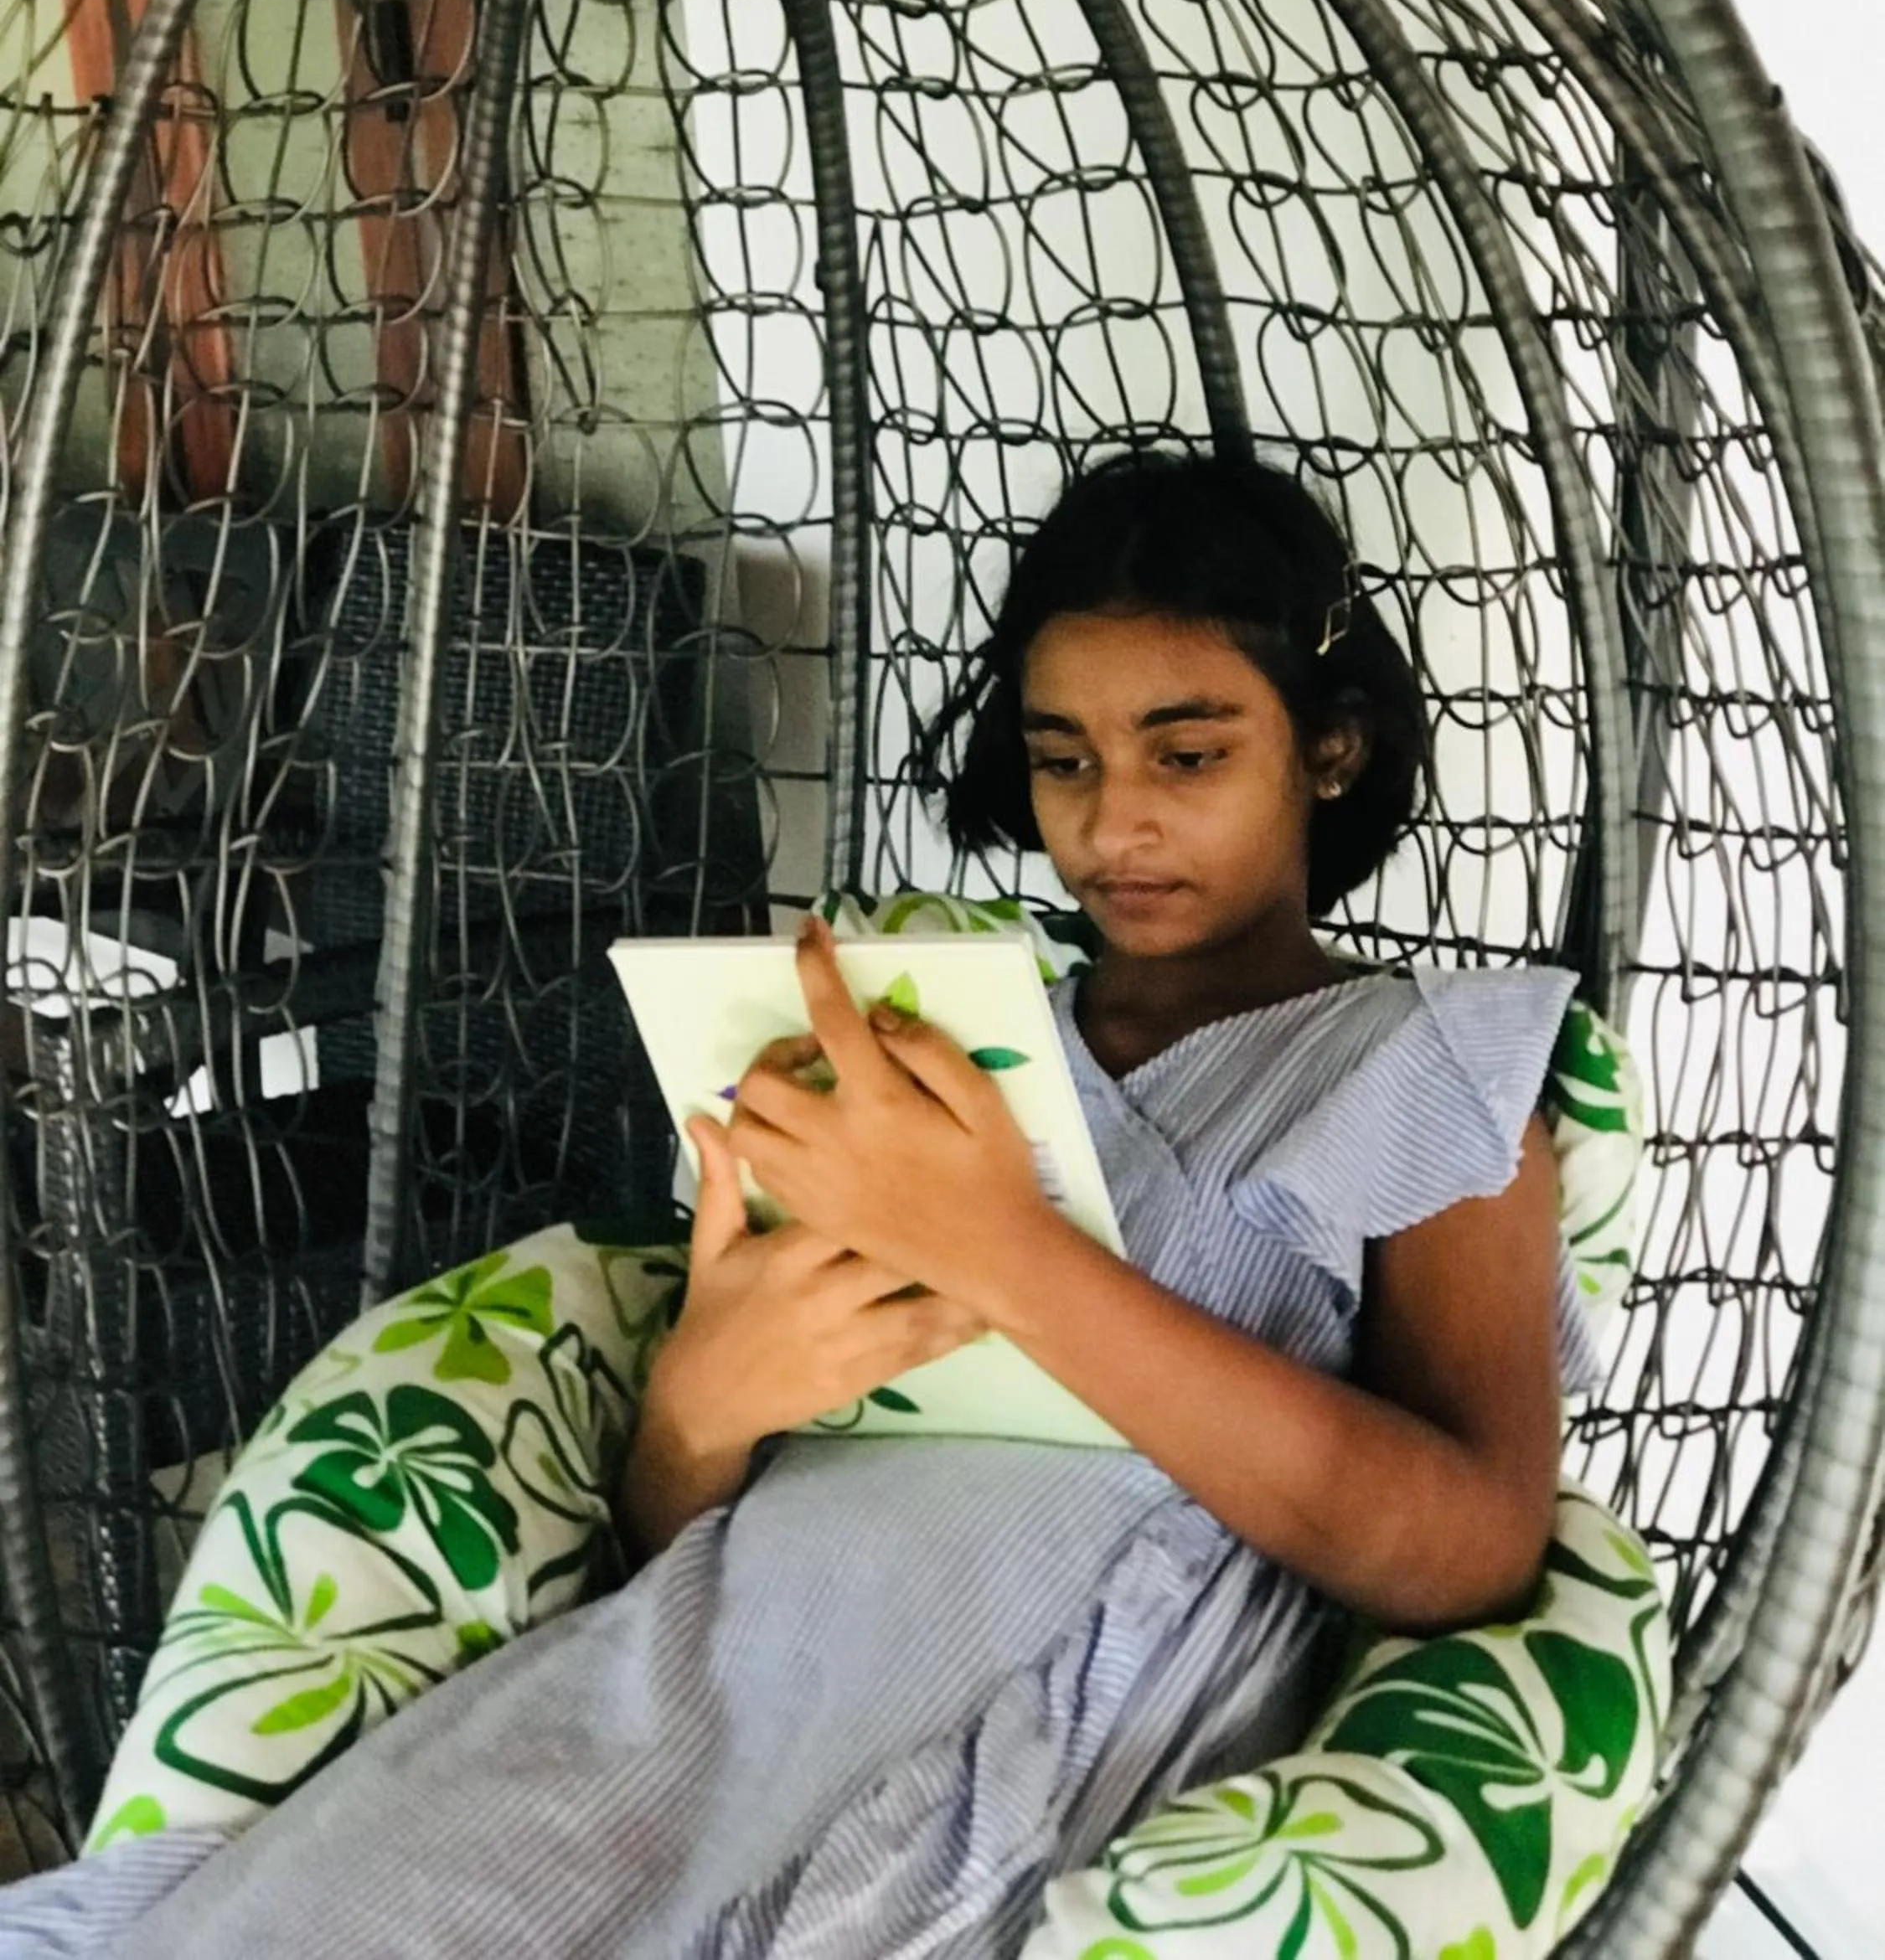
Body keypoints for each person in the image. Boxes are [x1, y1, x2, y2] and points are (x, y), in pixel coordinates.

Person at [4, 446, 1596, 1958]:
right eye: (1061, 761)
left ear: (1328, 746)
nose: (1113, 824)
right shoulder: (938, 1034)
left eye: (1188, 754)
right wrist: (699, 1407)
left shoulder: (1423, 1063)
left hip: (986, 1752)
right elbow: (678, 1521)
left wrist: (998, 1247)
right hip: (660, 1691)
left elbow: (1463, 1549)